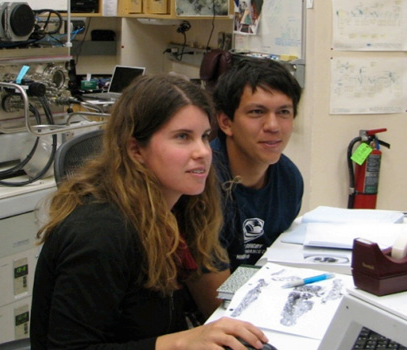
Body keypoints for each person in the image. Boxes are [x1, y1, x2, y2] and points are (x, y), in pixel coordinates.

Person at [30, 74, 269, 350]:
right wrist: (179, 343)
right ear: (136, 149)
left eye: (204, 137)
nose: (203, 152)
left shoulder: (177, 208)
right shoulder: (100, 233)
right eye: (182, 137)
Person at [211, 58, 304, 273]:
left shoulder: (289, 179)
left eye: (283, 112)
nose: (273, 126)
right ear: (226, 123)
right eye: (256, 112)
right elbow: (214, 299)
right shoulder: (203, 183)